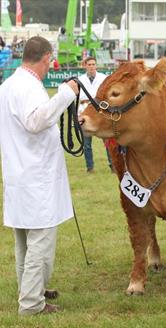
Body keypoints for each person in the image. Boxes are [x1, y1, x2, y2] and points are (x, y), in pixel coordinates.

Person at [0, 36, 79, 315]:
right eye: (51, 60)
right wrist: (66, 94)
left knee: (24, 242)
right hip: (36, 178)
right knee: (39, 244)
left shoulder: (8, 85)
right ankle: (32, 304)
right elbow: (36, 121)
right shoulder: (30, 87)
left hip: (18, 174)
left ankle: (31, 290)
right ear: (46, 57)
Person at [78, 56, 112, 173]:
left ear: (96, 65)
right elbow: (79, 97)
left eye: (93, 64)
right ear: (85, 66)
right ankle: (90, 167)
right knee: (87, 143)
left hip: (100, 114)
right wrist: (92, 99)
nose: (92, 67)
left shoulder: (103, 78)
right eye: (89, 64)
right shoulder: (80, 80)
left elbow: (106, 95)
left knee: (107, 141)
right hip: (85, 112)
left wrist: (91, 99)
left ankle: (112, 166)